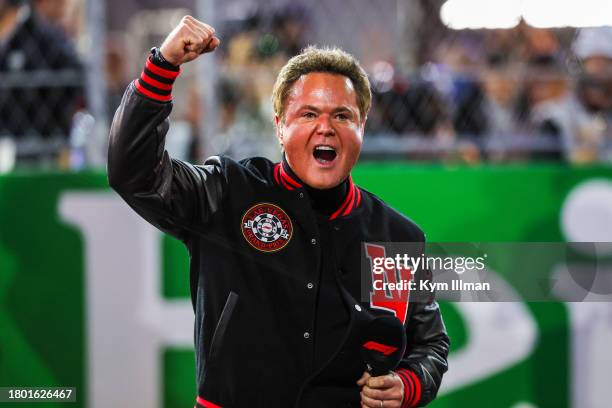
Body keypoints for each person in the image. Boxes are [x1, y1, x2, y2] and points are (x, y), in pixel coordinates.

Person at [108, 16, 449, 408]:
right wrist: (161, 68)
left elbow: (430, 344)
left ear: (362, 128)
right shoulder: (227, 192)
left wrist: (409, 384)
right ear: (280, 126)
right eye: (308, 114)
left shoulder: (397, 236)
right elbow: (132, 173)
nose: (326, 127)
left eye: (342, 115)